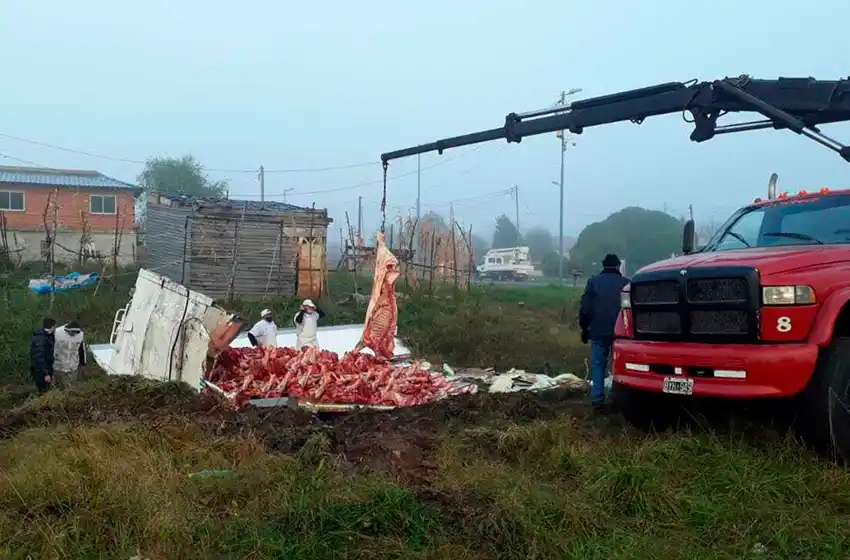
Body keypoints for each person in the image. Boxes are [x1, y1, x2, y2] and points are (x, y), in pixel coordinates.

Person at [579, 253, 630, 410]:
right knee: (619, 366)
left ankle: (597, 399)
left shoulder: (593, 282)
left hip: (598, 330)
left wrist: (584, 328)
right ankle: (618, 398)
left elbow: (586, 309)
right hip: (621, 333)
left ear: (603, 265)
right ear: (617, 266)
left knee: (597, 365)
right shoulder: (626, 283)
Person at [53, 320, 86, 387]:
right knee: (59, 387)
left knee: (71, 388)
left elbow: (82, 350)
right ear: (67, 330)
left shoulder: (80, 335)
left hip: (72, 367)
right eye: (72, 332)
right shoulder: (57, 332)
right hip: (58, 366)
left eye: (75, 332)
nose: (73, 334)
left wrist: (83, 363)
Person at [30, 318, 57, 394]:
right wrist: (45, 374)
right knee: (44, 393)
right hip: (41, 372)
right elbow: (39, 357)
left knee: (47, 391)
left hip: (46, 369)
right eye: (55, 326)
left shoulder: (48, 336)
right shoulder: (41, 339)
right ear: (53, 326)